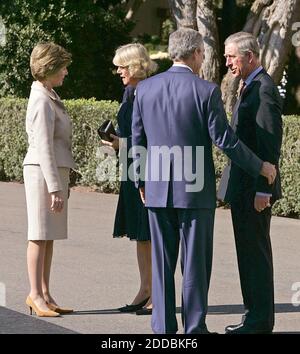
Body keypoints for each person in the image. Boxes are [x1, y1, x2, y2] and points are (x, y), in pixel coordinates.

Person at [131, 28, 277, 334]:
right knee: (195, 263)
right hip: (194, 188)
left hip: (156, 188)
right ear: (196, 53)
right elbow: (225, 140)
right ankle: (194, 328)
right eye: (204, 53)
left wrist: (139, 182)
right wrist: (260, 167)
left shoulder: (144, 89)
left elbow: (137, 142)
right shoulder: (205, 90)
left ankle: (162, 329)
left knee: (161, 263)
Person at [223, 32, 282, 334]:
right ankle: (254, 318)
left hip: (254, 190)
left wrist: (264, 189)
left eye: (232, 56)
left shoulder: (263, 89)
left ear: (250, 56)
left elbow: (269, 143)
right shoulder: (249, 85)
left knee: (255, 256)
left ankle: (259, 322)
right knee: (248, 255)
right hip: (244, 189)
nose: (227, 62)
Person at [101, 43, 157, 314]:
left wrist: (118, 144)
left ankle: (157, 293)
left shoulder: (145, 92)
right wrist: (118, 143)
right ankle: (145, 289)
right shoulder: (129, 91)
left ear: (135, 66)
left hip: (144, 168)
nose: (117, 71)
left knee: (151, 232)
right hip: (131, 166)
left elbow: (146, 138)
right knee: (140, 234)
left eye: (122, 66)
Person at [23, 42, 75, 316]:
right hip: (42, 173)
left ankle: (45, 293)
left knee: (49, 236)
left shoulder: (48, 94)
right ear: (50, 67)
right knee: (39, 235)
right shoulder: (42, 99)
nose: (66, 71)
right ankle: (34, 294)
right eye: (63, 66)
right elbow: (43, 146)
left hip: (51, 172)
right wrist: (55, 187)